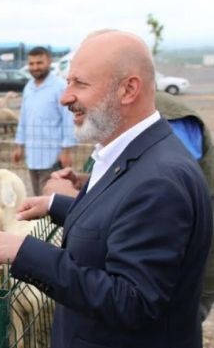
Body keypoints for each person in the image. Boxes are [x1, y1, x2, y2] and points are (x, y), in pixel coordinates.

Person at [0, 30, 212, 348]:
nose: (64, 97)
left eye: (79, 84)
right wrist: (56, 205)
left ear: (128, 89)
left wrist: (22, 252)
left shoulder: (159, 181)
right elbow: (121, 221)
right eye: (68, 82)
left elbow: (131, 301)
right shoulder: (132, 154)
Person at [43, 91, 214, 323]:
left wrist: (73, 198)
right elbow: (138, 174)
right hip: (168, 262)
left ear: (128, 89)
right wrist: (86, 181)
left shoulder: (171, 124)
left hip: (187, 264)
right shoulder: (137, 120)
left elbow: (163, 189)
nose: (68, 98)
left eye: (84, 84)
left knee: (173, 321)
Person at [13, 46, 76, 195]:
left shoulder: (60, 87)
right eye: (32, 63)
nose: (35, 67)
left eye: (39, 63)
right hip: (32, 156)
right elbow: (24, 118)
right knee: (37, 198)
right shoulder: (28, 87)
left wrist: (66, 151)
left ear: (49, 61)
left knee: (49, 203)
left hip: (52, 158)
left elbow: (68, 119)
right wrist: (19, 146)